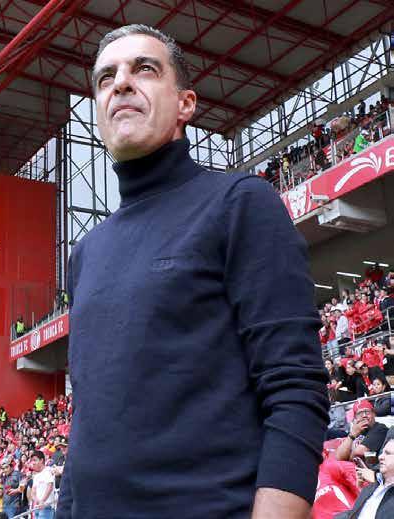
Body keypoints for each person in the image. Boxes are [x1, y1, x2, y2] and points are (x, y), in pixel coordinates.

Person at [59, 24, 328, 519]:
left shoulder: (239, 203)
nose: (121, 83)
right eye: (105, 78)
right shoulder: (86, 253)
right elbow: (85, 423)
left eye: (144, 69)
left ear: (185, 104)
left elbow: (296, 388)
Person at [334, 438, 394, 518]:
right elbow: (353, 514)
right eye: (382, 452)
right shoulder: (375, 484)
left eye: (388, 453)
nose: (380, 457)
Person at [28, 451, 55, 519]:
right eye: (32, 461)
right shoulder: (36, 475)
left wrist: (42, 501)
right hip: (37, 507)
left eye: (35, 460)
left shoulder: (48, 471)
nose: (33, 463)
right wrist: (37, 501)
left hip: (46, 506)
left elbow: (50, 487)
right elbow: (33, 492)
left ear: (41, 460)